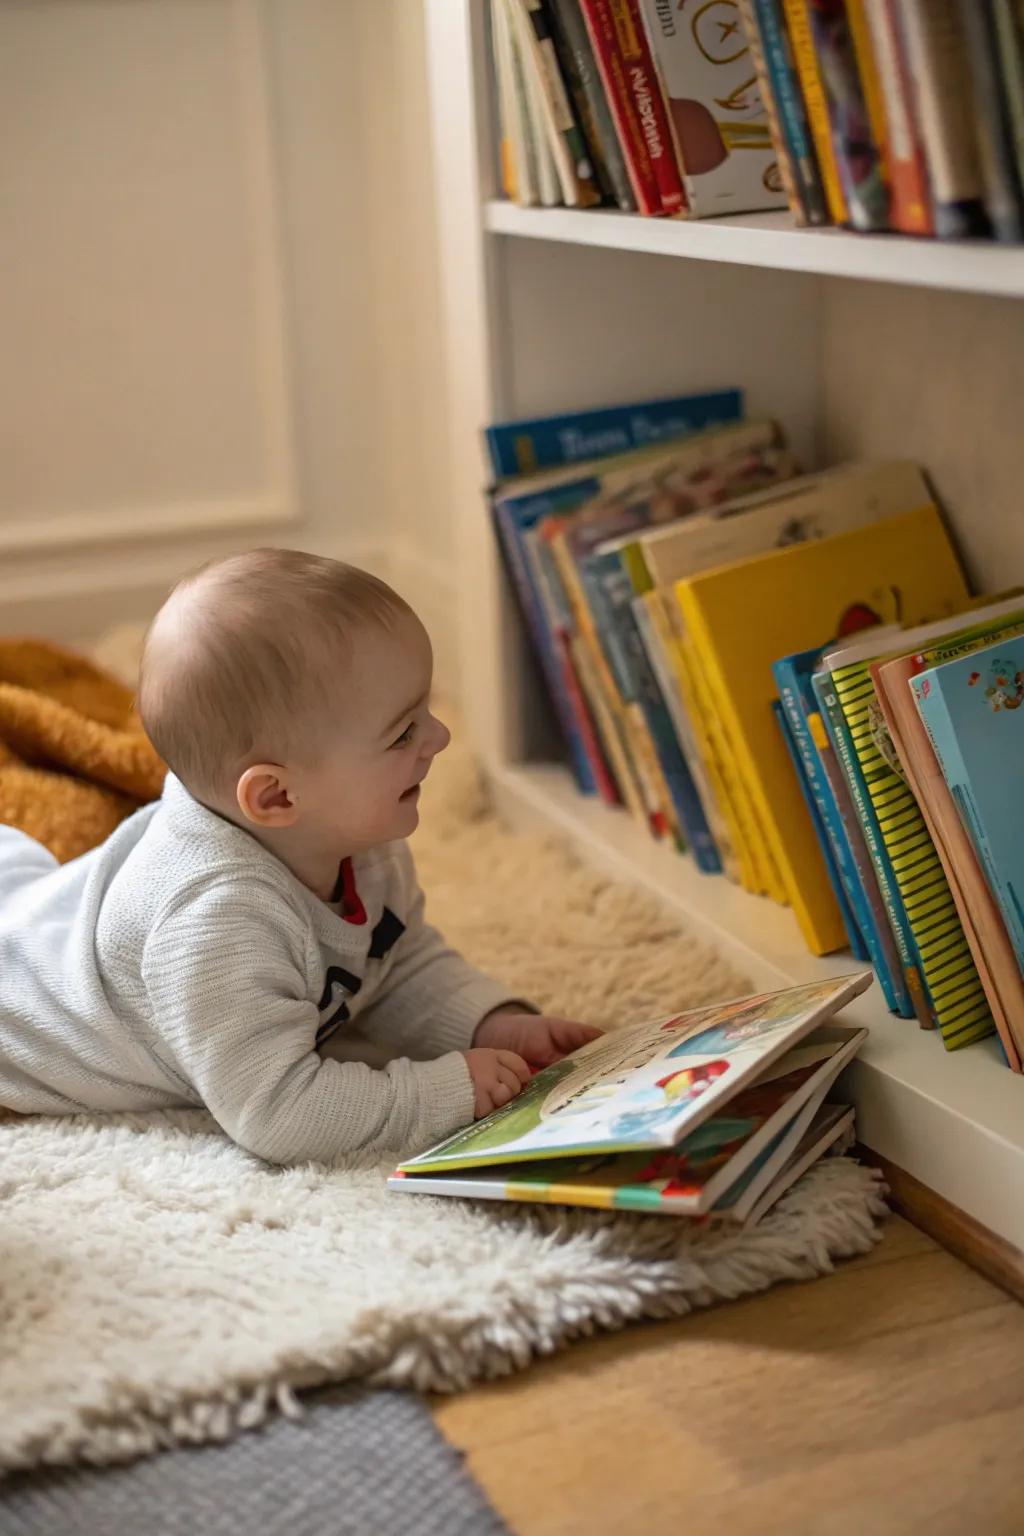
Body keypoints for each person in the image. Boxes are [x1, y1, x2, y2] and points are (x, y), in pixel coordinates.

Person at [0, 549, 601, 1164]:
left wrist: (492, 1023)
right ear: (277, 795)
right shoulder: (218, 926)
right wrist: (441, 1093)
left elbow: (395, 961)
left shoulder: (355, 836)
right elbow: (277, 1112)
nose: (441, 737)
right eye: (403, 732)